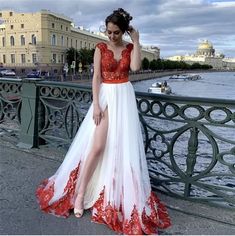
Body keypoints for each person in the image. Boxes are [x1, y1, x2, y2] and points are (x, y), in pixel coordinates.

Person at [36, 8, 171, 235]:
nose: (111, 36)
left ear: (123, 31)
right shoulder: (100, 48)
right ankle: (79, 194)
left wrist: (136, 41)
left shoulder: (129, 47)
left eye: (116, 33)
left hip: (124, 98)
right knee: (97, 146)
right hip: (106, 98)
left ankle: (114, 191)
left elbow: (136, 67)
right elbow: (97, 77)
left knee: (121, 148)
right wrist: (97, 105)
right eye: (108, 32)